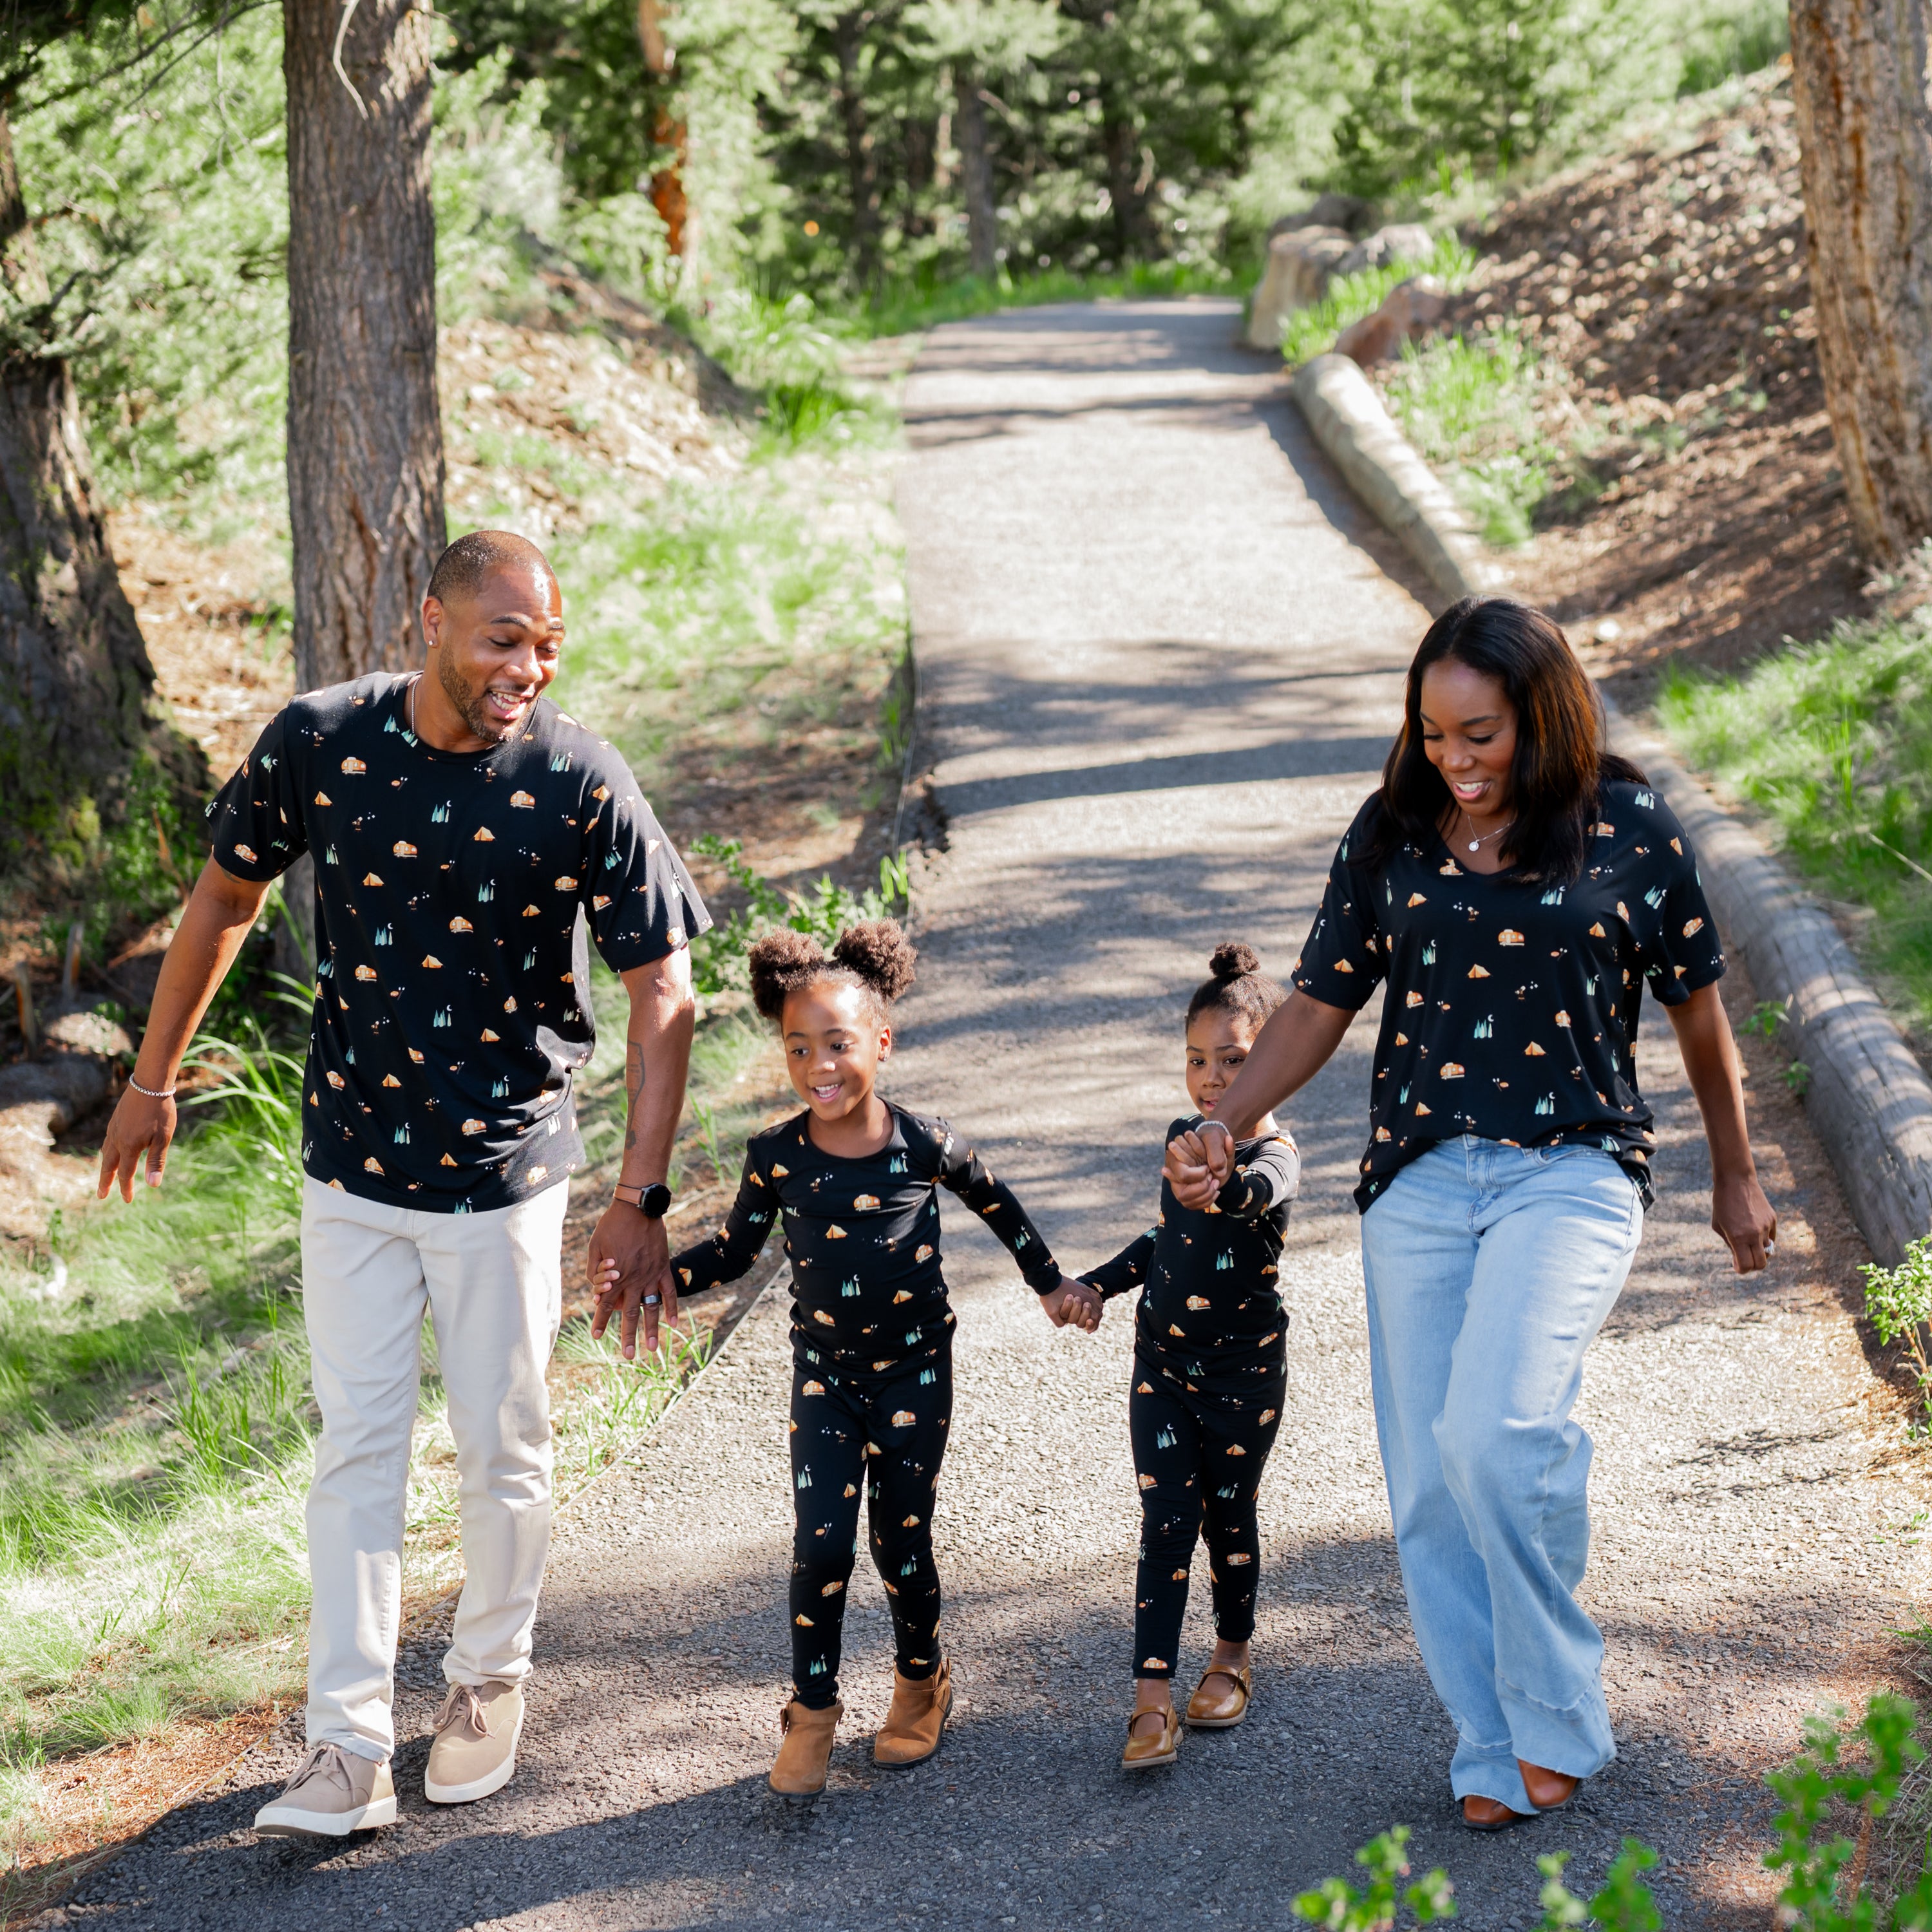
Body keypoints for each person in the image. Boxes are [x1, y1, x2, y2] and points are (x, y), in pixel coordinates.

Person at [95, 530, 711, 1839]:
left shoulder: (578, 777)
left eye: (548, 644)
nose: (528, 668)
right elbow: (221, 901)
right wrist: (152, 1084)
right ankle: (346, 1745)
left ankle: (488, 1680)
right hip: (352, 1170)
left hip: (505, 1181)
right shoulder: (321, 743)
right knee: (356, 1453)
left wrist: (639, 1199)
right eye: (503, 638)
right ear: (428, 616)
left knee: (502, 1448)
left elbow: (668, 987)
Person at [1166, 596, 1776, 1830]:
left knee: (1498, 1436)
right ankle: (1492, 1742)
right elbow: (1317, 1003)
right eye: (1437, 735)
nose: (1458, 760)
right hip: (1424, 1177)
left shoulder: (1629, 826)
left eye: (1482, 735)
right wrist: (1228, 1121)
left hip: (1576, 1168)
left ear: (1542, 717)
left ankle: (1557, 1712)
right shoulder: (1394, 829)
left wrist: (1736, 1170)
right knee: (1433, 1476)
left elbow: (1700, 1012)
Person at [669, 920, 1100, 1798]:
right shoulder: (776, 1158)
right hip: (825, 1375)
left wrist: (1053, 1286)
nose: (818, 1066)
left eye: (837, 1044)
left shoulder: (926, 1144)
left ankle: (919, 1680)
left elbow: (1002, 1208)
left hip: (914, 1372)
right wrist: (654, 1277)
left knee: (900, 1538)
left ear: (881, 1042)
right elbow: (731, 1254)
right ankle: (812, 1712)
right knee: (821, 1545)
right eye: (798, 1049)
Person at [1077, 943, 1300, 1771]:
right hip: (1162, 1372)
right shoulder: (1182, 1138)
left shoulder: (1276, 1156)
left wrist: (1219, 1175)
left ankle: (1234, 1653)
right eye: (1198, 1061)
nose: (1212, 1079)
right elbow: (1166, 1239)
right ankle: (1151, 1699)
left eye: (1236, 1061)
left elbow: (1244, 1197)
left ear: (1273, 1063)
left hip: (1243, 1381)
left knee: (1228, 1517)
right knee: (1168, 1524)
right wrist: (1096, 1285)